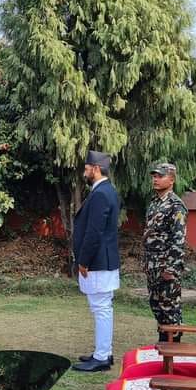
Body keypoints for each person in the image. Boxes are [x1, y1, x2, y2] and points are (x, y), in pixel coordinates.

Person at [72, 150, 120, 372]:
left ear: (96, 169)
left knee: (101, 308)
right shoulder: (107, 191)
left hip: (98, 262)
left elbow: (94, 232)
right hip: (103, 261)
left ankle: (101, 357)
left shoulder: (101, 194)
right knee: (103, 308)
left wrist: (83, 260)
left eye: (87, 167)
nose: (85, 171)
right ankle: (104, 353)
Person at [144, 163, 188, 342]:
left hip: (166, 268)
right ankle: (163, 342)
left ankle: (173, 347)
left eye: (160, 176)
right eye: (154, 176)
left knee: (170, 308)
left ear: (171, 180)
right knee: (156, 306)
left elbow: (178, 240)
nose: (155, 179)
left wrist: (170, 268)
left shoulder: (176, 205)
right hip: (153, 266)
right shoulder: (154, 203)